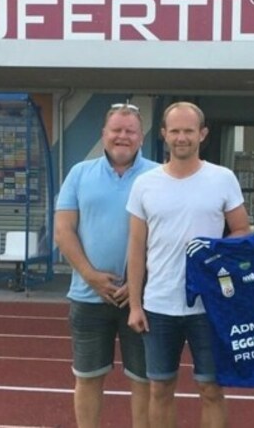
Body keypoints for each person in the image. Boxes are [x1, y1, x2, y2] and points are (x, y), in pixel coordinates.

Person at [126, 101, 250, 428]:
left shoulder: (222, 179)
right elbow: (136, 247)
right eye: (176, 131)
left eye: (189, 131)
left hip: (209, 306)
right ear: (164, 134)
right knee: (161, 388)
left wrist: (217, 256)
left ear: (202, 134)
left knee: (211, 389)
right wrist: (135, 305)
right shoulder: (145, 184)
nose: (182, 137)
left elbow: (241, 229)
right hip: (159, 305)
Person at [54, 103, 158, 428]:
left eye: (130, 131)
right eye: (116, 130)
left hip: (141, 300)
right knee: (87, 377)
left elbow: (168, 237)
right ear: (104, 135)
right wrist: (91, 276)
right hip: (88, 297)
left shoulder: (158, 175)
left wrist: (139, 284)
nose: (122, 136)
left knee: (144, 381)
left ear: (141, 137)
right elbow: (63, 230)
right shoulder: (79, 173)